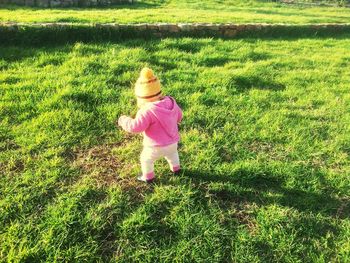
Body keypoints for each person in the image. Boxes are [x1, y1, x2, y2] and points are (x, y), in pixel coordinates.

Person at [117, 67, 183, 182]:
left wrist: (124, 121)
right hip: (173, 142)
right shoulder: (171, 102)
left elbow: (135, 127)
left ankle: (148, 177)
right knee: (172, 154)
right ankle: (176, 169)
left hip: (155, 146)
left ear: (141, 97)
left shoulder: (147, 110)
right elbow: (179, 116)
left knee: (146, 159)